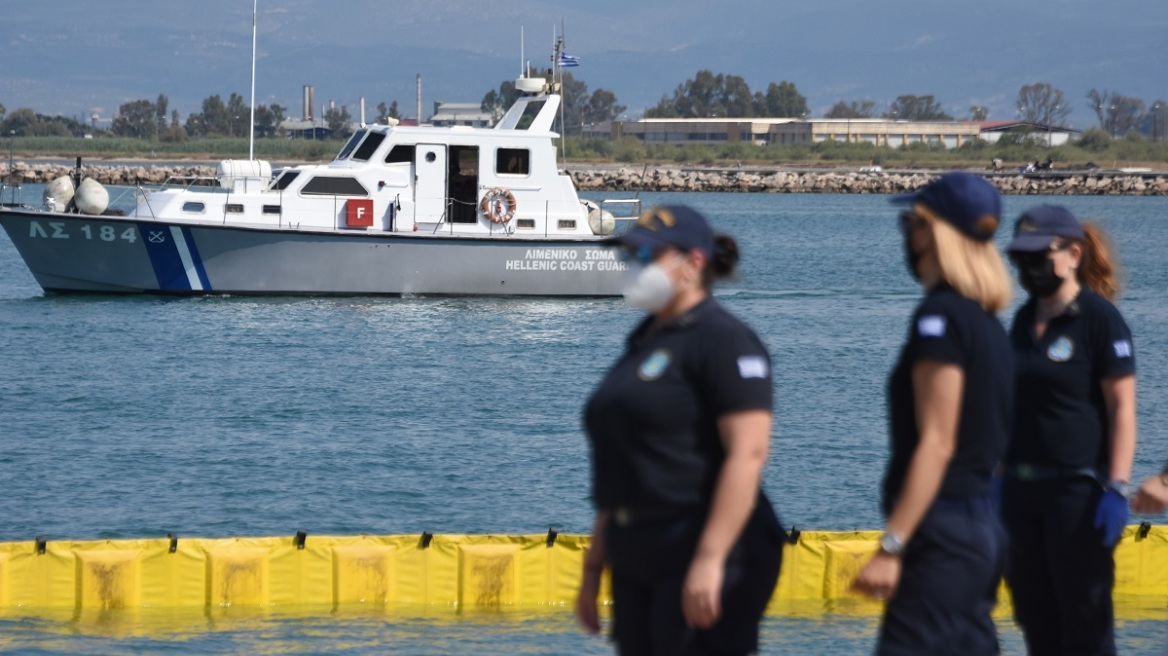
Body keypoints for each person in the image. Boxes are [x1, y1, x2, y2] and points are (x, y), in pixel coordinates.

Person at [576, 205, 784, 655]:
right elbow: (624, 463)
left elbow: (747, 454)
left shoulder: (724, 340)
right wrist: (594, 566)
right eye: (630, 255)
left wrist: (710, 560)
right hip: (640, 549)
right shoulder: (646, 339)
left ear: (693, 263)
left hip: (703, 544)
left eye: (648, 254)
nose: (635, 266)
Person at [852, 172, 1014, 655]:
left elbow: (938, 442)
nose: (906, 233)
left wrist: (892, 544)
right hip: (982, 527)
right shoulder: (990, 328)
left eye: (911, 222)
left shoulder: (939, 319)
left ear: (932, 232)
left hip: (940, 534)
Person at [1000, 205, 1136, 656]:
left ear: (1073, 254)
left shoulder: (1099, 320)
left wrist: (1116, 487)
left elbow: (1121, 409)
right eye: (1022, 258)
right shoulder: (1021, 322)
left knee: (1085, 626)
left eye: (1042, 255)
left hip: (1078, 495)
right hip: (1020, 495)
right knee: (1036, 623)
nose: (1031, 267)